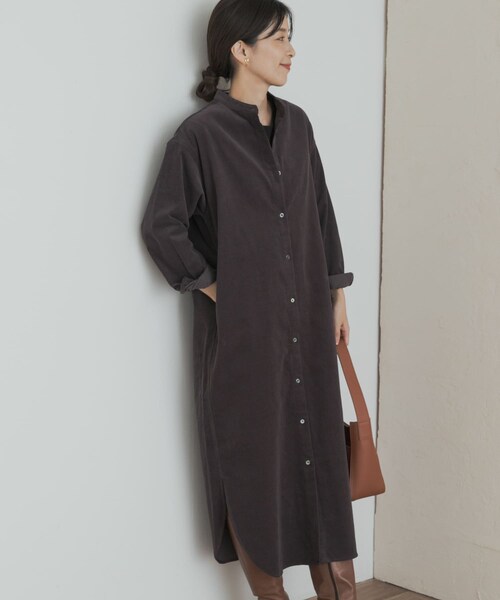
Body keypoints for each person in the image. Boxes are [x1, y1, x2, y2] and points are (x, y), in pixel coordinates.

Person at [141, 1, 358, 598]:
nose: (291, 50)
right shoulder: (200, 137)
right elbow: (162, 225)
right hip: (244, 339)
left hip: (308, 322)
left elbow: (321, 212)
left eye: (291, 38)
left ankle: (340, 590)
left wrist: (337, 294)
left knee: (321, 457)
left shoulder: (298, 125)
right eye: (279, 38)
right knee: (254, 460)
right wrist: (218, 287)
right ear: (240, 50)